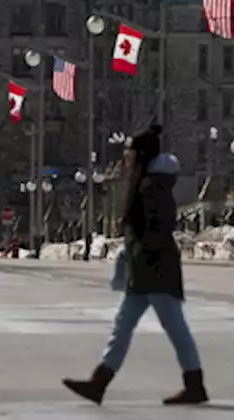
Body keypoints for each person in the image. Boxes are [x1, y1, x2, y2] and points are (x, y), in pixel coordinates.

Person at [62, 124, 207, 406]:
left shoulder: (151, 186)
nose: (126, 157)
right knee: (123, 326)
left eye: (129, 151)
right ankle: (99, 382)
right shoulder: (147, 183)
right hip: (144, 271)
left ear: (140, 154)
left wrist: (141, 252)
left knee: (175, 328)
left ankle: (195, 384)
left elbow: (158, 228)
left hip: (155, 269)